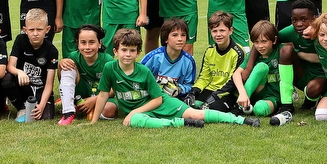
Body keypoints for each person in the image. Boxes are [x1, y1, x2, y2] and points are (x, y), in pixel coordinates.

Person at [90, 28, 259, 128]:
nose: (128, 54)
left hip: (159, 103)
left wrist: (133, 111)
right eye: (124, 50)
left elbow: (157, 100)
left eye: (132, 51)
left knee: (197, 113)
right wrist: (94, 123)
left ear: (138, 52)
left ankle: (242, 120)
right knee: (136, 120)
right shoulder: (109, 68)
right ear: (115, 51)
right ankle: (182, 123)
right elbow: (104, 94)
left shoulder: (143, 71)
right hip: (141, 113)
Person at [1, 8, 59, 122]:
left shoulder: (52, 51)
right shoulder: (20, 40)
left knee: (46, 117)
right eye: (31, 29)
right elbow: (10, 66)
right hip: (24, 85)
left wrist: (42, 105)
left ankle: (39, 104)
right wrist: (19, 72)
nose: (35, 33)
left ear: (47, 29)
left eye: (39, 29)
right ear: (25, 29)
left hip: (41, 88)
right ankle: (21, 107)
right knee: (6, 78)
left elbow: (49, 84)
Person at [182, 11, 246, 109]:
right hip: (210, 89)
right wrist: (193, 92)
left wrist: (214, 97)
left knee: (212, 108)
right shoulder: (209, 51)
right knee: (187, 104)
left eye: (222, 30)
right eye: (214, 31)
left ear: (230, 30)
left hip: (228, 93)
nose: (218, 34)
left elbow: (233, 82)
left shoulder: (238, 52)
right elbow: (204, 77)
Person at [56, 24, 116, 125]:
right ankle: (69, 110)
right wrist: (61, 64)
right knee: (66, 65)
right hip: (81, 95)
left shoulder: (107, 60)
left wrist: (94, 100)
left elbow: (113, 89)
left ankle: (86, 108)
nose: (87, 47)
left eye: (92, 42)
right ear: (78, 44)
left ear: (100, 43)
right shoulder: (74, 56)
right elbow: (62, 77)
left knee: (109, 110)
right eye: (83, 43)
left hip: (101, 96)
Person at [140, 18, 197, 100]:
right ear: (166, 38)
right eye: (175, 35)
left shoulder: (189, 61)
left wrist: (179, 88)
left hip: (175, 100)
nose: (180, 39)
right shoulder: (153, 57)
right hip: (152, 98)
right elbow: (138, 78)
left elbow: (190, 85)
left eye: (183, 35)